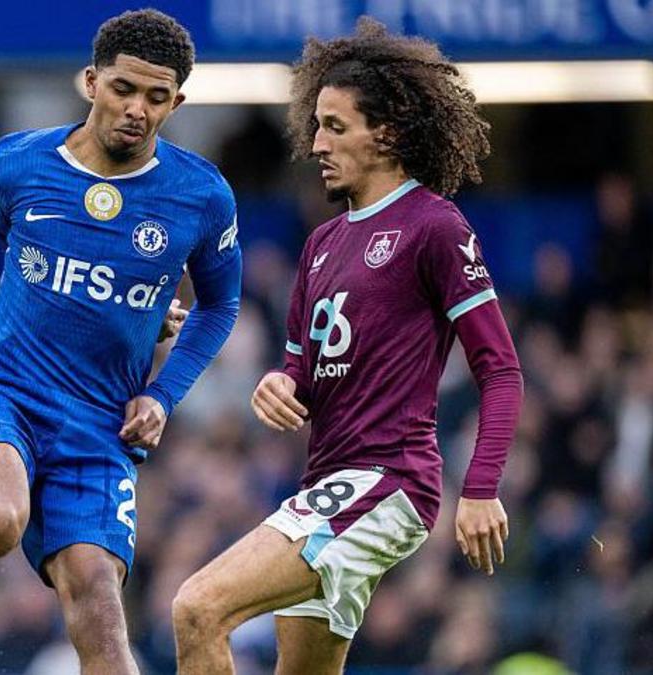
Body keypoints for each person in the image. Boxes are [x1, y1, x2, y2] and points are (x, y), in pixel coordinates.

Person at [0, 9, 242, 674]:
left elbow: (219, 304)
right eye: (124, 89)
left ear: (177, 102)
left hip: (101, 426)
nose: (137, 109)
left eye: (157, 98)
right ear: (91, 81)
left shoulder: (201, 196)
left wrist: (161, 392)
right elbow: (15, 252)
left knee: (99, 608)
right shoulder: (17, 163)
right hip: (1, 390)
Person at [172, 18, 522, 674]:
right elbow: (302, 374)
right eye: (316, 124)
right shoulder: (321, 244)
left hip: (386, 480)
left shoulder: (434, 226)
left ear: (386, 132)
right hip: (329, 480)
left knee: (197, 606)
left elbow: (500, 367)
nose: (316, 143)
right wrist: (278, 385)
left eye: (335, 125)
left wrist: (481, 486)